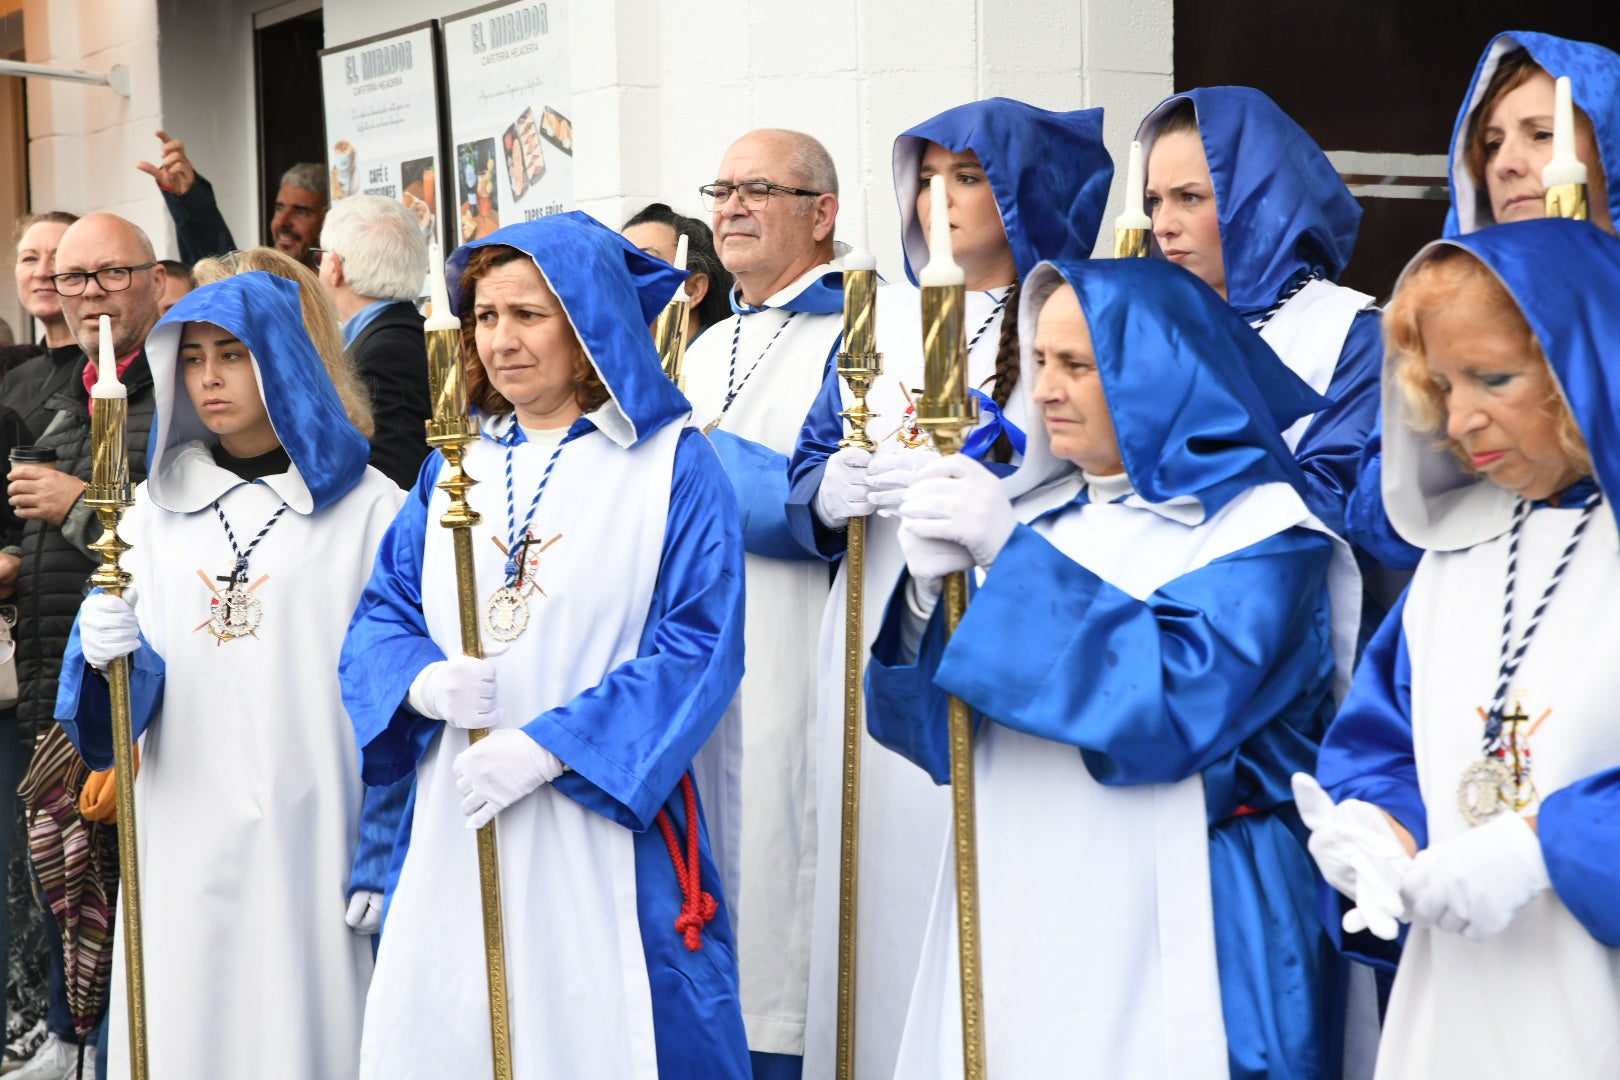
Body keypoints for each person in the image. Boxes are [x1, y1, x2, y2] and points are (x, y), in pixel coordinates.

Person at [866, 256, 1355, 1078]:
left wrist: (1008, 565)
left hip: (1184, 913)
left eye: (1077, 366)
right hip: (1027, 897)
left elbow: (1172, 701)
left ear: (1155, 372)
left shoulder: (1266, 536)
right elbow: (929, 736)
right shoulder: (1046, 519)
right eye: (1042, 361)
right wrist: (923, 600)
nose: (1045, 390)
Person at [340, 213, 750, 1079]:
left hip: (600, 815)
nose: (500, 340)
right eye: (485, 317)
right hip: (459, 806)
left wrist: (547, 748)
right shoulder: (454, 463)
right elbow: (382, 612)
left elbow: (700, 644)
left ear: (589, 319)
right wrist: (422, 684)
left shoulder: (671, 464)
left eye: (529, 315)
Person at [782, 97, 1114, 1080]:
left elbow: (1075, 461)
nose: (941, 199)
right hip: (878, 617)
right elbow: (810, 463)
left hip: (996, 615)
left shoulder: (1064, 319)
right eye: (927, 177)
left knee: (961, 859)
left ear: (1023, 191)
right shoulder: (876, 316)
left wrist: (982, 483)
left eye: (967, 177)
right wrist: (829, 491)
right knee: (869, 866)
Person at [51, 267, 400, 1079]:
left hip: (312, 814)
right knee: (186, 1015)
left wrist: (385, 846)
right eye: (194, 358)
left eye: (232, 356)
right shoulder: (151, 515)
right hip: (183, 818)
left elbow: (391, 691)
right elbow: (109, 722)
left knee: (302, 1018)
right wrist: (100, 651)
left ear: (282, 358)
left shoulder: (371, 510)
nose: (208, 378)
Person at [1305, 218, 1620, 1079]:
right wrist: (1376, 826)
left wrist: (1547, 847)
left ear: (1590, 365)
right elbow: (1389, 741)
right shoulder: (1457, 554)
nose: (1459, 418)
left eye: (1495, 378)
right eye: (1441, 383)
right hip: (1459, 999)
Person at [682, 127, 841, 1079]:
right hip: (702, 646)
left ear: (821, 215)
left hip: (794, 640)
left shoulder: (861, 330)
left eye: (759, 189)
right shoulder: (704, 347)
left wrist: (695, 468)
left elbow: (823, 501)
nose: (731, 206)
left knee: (785, 873)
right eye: (723, 188)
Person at [1346, 32, 1620, 572]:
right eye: (1491, 143)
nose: (1504, 165)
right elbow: (1383, 517)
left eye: (1542, 135)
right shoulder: (1443, 308)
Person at [6, 215, 164, 1078]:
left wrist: (71, 503)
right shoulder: (71, 386)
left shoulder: (177, 389)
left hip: (131, 698)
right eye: (74, 279)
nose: (90, 293)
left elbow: (181, 541)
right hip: (56, 687)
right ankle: (78, 1043)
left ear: (154, 279)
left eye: (111, 273)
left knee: (123, 901)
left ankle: (108, 1048)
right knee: (71, 895)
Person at [1137, 88, 1381, 546]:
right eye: (1154, 200)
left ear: (1258, 201)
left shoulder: (1347, 333)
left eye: (1189, 197)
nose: (1162, 224)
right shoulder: (1152, 325)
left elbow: (1341, 512)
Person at [315, 194, 434, 488]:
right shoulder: (408, 335)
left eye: (318, 257)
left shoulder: (386, 352)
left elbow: (392, 475)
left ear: (334, 267)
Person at [136, 131, 327, 266]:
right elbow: (220, 267)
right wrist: (189, 198)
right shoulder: (263, 284)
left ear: (326, 219)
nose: (283, 222)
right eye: (279, 208)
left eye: (301, 212)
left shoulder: (344, 288)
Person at [622, 202, 735, 343]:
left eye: (643, 264)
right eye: (618, 264)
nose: (622, 278)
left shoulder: (725, 360)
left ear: (694, 289)